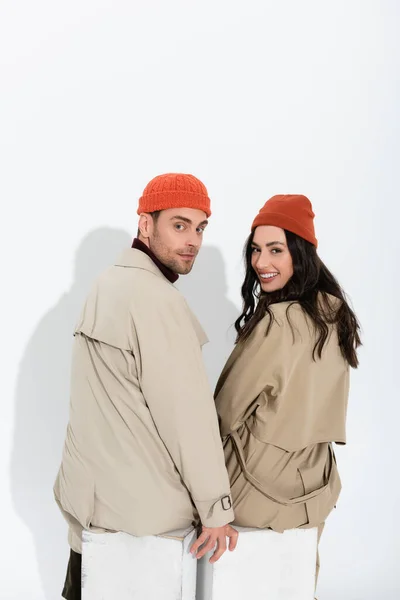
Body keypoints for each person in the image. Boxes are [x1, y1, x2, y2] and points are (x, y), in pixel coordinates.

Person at [54, 173, 238, 600]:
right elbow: (187, 417)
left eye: (200, 227)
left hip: (89, 512)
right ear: (145, 225)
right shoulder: (157, 300)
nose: (192, 239)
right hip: (141, 524)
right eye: (179, 225)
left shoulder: (105, 285)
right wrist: (216, 510)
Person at [214, 194, 361, 592]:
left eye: (276, 250)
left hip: (255, 488)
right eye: (256, 250)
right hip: (315, 485)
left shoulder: (278, 323)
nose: (261, 263)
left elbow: (223, 414)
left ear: (300, 252)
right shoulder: (336, 315)